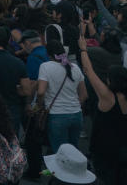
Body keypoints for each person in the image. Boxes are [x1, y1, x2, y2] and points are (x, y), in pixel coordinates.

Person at [78, 33, 127, 184]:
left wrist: (83, 49)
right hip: (123, 149)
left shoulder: (108, 97)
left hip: (104, 149)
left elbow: (88, 70)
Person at [36, 39, 87, 153]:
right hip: (76, 115)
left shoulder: (45, 66)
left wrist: (40, 106)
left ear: (48, 53)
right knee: (73, 151)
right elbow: (84, 95)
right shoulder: (75, 67)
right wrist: (74, 105)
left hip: (56, 116)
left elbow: (40, 92)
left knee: (59, 153)